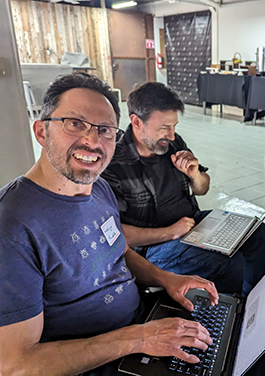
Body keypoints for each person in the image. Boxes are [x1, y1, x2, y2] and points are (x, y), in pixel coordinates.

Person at [0, 72, 222, 376]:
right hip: (92, 359)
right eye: (74, 123)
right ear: (41, 131)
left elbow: (118, 251)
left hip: (139, 323)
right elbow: (15, 365)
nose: (92, 141)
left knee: (225, 348)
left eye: (104, 129)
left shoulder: (98, 188)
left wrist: (166, 279)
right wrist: (139, 339)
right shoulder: (12, 227)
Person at [101, 82, 265, 297]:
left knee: (258, 232)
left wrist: (195, 174)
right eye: (164, 128)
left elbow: (202, 189)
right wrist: (170, 232)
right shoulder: (114, 165)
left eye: (174, 127)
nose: (171, 135)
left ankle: (253, 300)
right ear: (136, 121)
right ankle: (229, 315)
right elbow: (113, 233)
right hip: (152, 247)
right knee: (227, 263)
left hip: (192, 224)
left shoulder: (172, 144)